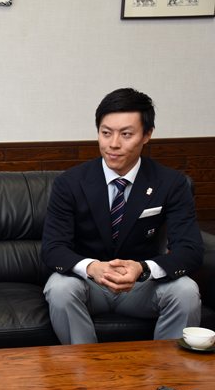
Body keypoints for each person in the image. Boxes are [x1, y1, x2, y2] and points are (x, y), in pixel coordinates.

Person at [41, 88, 203, 345]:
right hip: (89, 285)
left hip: (142, 285)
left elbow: (191, 249)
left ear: (147, 135)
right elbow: (52, 248)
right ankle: (84, 372)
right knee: (59, 287)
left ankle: (167, 376)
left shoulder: (170, 182)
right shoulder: (70, 183)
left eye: (126, 134)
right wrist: (92, 267)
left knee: (186, 290)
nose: (113, 144)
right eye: (106, 133)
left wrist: (143, 269)